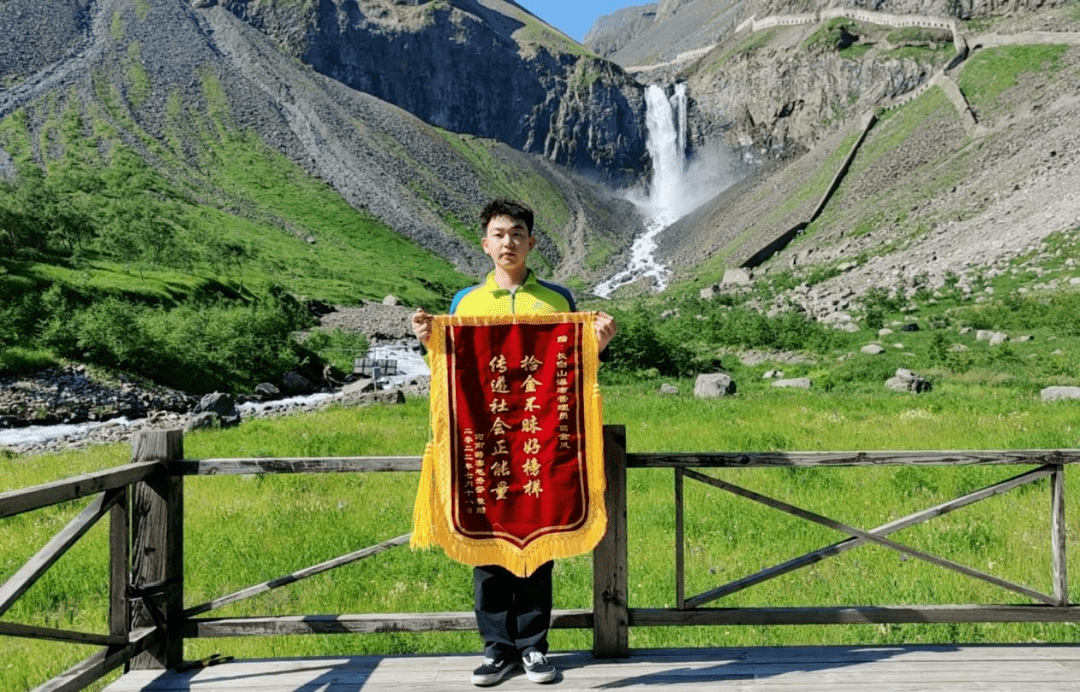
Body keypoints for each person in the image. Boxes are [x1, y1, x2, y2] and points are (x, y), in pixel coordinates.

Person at [412, 199, 616, 686]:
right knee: (487, 547)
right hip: (484, 442)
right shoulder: (465, 304)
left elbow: (571, 373)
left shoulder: (557, 301)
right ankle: (496, 647)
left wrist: (599, 346)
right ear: (485, 244)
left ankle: (533, 647)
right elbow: (450, 377)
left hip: (541, 443)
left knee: (538, 542)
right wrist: (428, 343)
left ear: (532, 243)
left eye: (517, 233)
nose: (508, 242)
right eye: (499, 234)